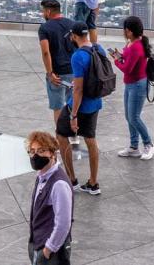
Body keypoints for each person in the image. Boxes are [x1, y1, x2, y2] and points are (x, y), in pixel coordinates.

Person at [54, 23, 105, 196]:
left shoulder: (77, 56)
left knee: (61, 135)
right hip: (95, 103)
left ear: (74, 36)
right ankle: (93, 182)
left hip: (79, 105)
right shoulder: (99, 49)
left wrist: (73, 115)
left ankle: (71, 179)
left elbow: (78, 90)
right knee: (91, 140)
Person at [109, 17, 154, 161]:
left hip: (137, 85)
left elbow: (127, 68)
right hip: (131, 84)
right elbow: (128, 61)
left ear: (129, 31)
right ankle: (134, 147)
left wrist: (116, 60)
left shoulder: (136, 46)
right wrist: (120, 55)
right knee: (129, 116)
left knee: (134, 117)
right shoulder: (132, 43)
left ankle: (149, 144)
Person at [25, 130, 73, 265]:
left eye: (41, 151)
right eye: (32, 151)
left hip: (51, 253)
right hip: (38, 244)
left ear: (52, 153)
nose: (35, 156)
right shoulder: (42, 176)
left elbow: (63, 224)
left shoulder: (59, 184)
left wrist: (47, 250)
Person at [37, 0, 76, 128]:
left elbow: (46, 52)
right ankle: (74, 133)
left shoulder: (44, 28)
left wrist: (50, 73)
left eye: (43, 11)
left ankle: (62, 134)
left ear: (48, 11)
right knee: (73, 103)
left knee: (58, 107)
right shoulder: (72, 24)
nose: (43, 14)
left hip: (57, 73)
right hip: (73, 71)